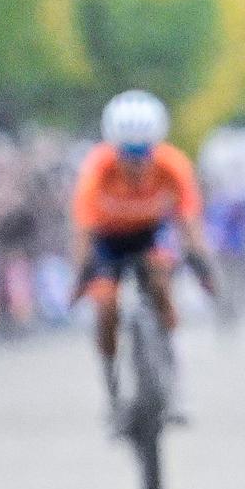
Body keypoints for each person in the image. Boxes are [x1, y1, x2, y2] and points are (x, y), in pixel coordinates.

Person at [70, 91, 214, 424]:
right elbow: (82, 229)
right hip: (108, 240)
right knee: (105, 304)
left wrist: (200, 263)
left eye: (143, 153)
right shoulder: (97, 169)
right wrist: (82, 273)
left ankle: (175, 383)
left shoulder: (173, 165)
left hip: (151, 235)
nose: (135, 163)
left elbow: (189, 222)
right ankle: (112, 391)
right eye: (127, 154)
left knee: (161, 280)